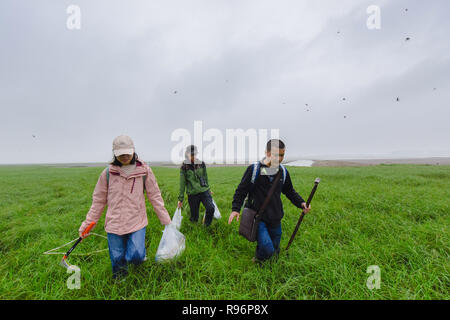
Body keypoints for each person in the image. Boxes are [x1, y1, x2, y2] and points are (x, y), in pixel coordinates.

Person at [78, 135, 171, 278]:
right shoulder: (107, 173)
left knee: (136, 255)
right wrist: (87, 224)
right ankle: (121, 283)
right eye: (121, 154)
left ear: (133, 150)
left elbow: (155, 196)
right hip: (114, 223)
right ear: (115, 154)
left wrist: (166, 221)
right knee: (117, 258)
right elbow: (98, 201)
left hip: (137, 221)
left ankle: (139, 256)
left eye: (128, 152)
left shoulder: (145, 171)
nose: (125, 156)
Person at [228, 139, 311, 262]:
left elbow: (289, 191)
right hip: (258, 217)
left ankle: (271, 267)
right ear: (267, 153)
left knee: (275, 249)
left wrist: (301, 203)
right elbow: (241, 190)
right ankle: (258, 260)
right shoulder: (254, 169)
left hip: (275, 217)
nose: (279, 158)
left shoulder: (282, 171)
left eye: (282, 155)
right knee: (268, 248)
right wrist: (235, 209)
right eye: (276, 155)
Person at [177, 145, 215, 226]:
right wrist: (180, 199)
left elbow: (205, 177)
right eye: (192, 154)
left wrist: (208, 189)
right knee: (194, 218)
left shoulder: (201, 164)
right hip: (192, 194)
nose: (194, 156)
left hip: (204, 191)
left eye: (195, 154)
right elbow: (182, 183)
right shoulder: (184, 167)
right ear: (187, 154)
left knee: (211, 208)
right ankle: (193, 228)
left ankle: (206, 226)